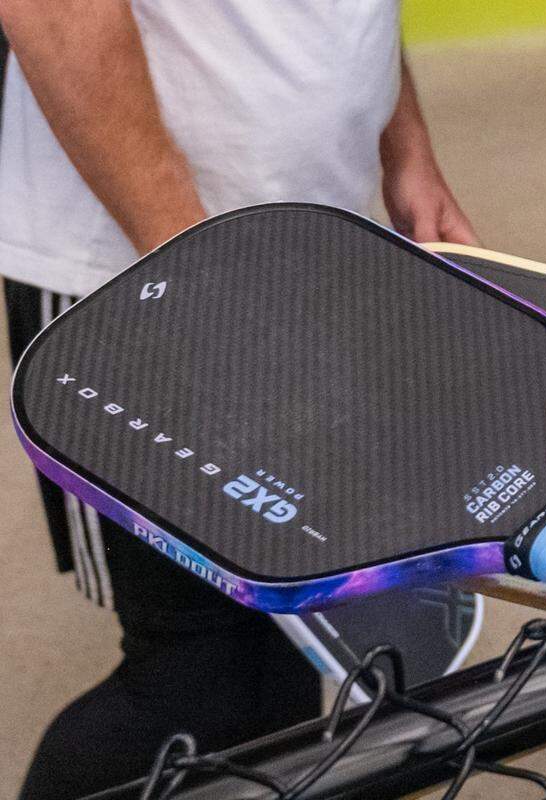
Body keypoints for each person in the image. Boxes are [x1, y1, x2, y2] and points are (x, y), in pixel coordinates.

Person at [0, 2, 477, 797]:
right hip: (126, 273)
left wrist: (406, 151)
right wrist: (201, 271)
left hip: (311, 245)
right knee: (194, 677)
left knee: (291, 655)